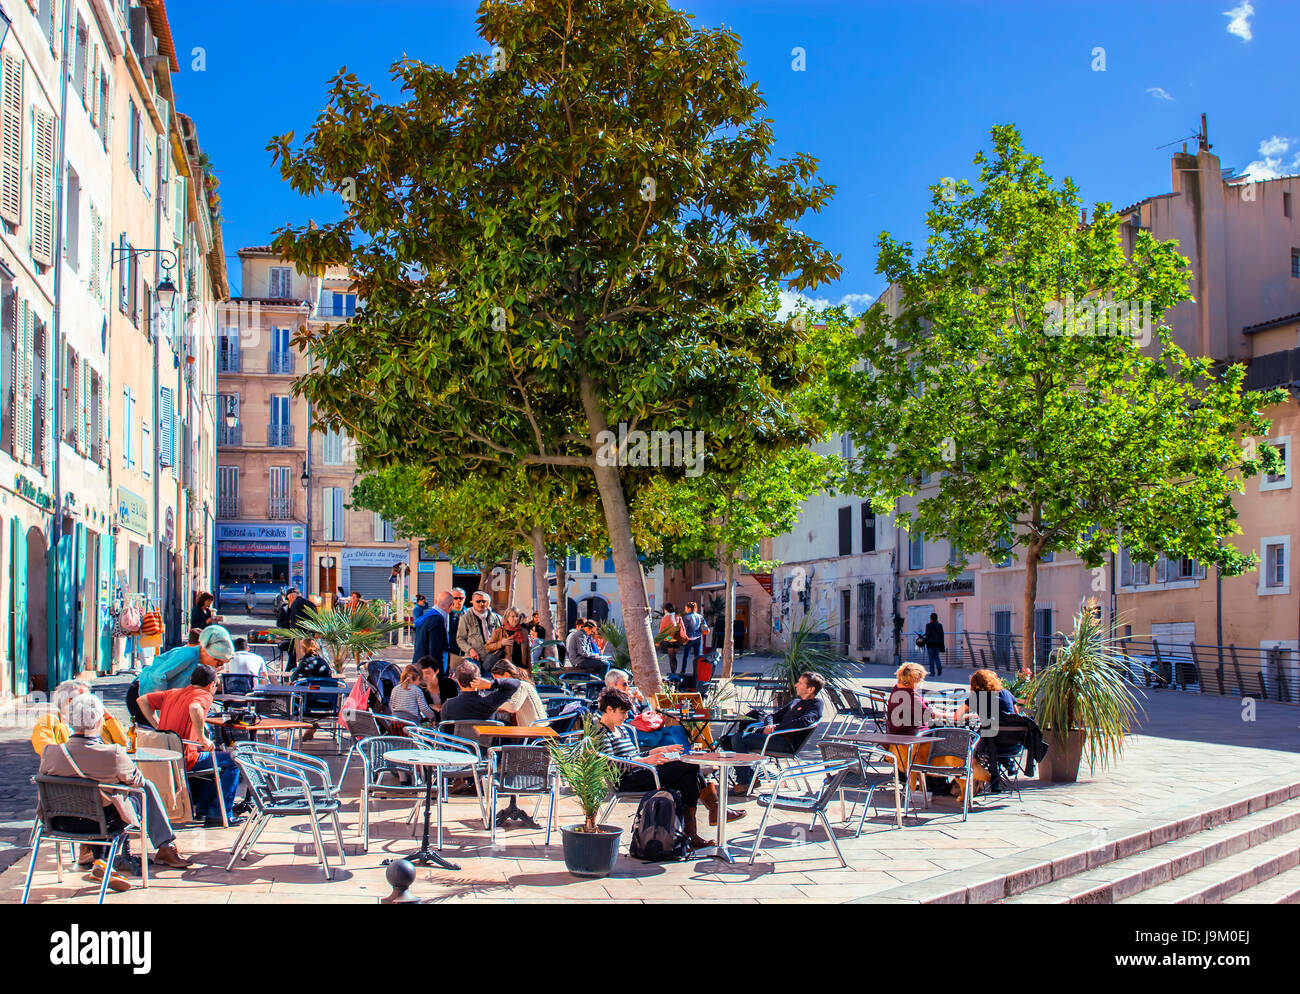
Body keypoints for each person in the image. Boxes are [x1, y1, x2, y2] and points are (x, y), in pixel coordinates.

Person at [38, 694, 192, 890]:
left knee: (106, 801)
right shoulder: (112, 754)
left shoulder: (50, 752)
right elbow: (138, 781)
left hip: (58, 822)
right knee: (141, 791)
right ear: (100, 721)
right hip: (102, 823)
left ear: (70, 721)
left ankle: (101, 861)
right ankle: (162, 846)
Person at [592, 688, 743, 848]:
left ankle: (692, 834)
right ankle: (712, 812)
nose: (625, 717)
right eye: (623, 713)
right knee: (687, 764)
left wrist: (659, 751)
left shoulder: (621, 729)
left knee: (688, 774)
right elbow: (612, 765)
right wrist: (649, 760)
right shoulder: (601, 733)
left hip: (643, 772)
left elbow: (634, 755)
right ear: (609, 709)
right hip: (628, 780)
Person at [139, 664, 243, 828]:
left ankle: (204, 808)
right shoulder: (204, 695)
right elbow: (194, 707)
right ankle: (219, 813)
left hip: (167, 756)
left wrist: (159, 728)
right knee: (234, 759)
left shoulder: (173, 693)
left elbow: (142, 700)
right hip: (185, 758)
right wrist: (202, 738)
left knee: (214, 755)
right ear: (211, 684)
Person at [721, 671, 826, 788]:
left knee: (738, 738)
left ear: (811, 689)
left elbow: (805, 721)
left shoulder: (816, 704)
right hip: (773, 737)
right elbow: (771, 716)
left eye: (801, 683)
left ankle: (744, 783)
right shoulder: (796, 702)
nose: (796, 685)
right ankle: (749, 777)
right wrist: (769, 725)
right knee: (726, 740)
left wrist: (776, 728)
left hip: (786, 743)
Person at [125, 625, 234, 726]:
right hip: (141, 692)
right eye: (219, 662)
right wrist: (164, 708)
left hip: (149, 696)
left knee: (163, 737)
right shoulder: (188, 655)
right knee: (156, 738)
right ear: (207, 652)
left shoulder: (196, 659)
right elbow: (159, 676)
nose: (218, 666)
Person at [31, 679, 129, 754]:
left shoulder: (96, 720)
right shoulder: (49, 720)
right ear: (69, 701)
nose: (91, 702)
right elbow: (44, 748)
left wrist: (107, 715)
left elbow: (123, 743)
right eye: (86, 699)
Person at [604, 668, 691, 752]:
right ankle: (687, 761)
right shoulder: (611, 701)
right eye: (624, 684)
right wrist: (627, 701)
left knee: (677, 730)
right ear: (612, 685)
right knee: (673, 739)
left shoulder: (630, 697)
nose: (628, 686)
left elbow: (649, 713)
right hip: (638, 734)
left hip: (649, 730)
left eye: (629, 683)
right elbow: (624, 721)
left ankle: (686, 761)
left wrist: (642, 700)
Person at [438, 661, 520, 723]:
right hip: (487, 745)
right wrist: (491, 683)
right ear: (479, 679)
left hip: (458, 745)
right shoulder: (490, 701)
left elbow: (446, 734)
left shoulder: (448, 706)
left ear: (458, 683)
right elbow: (516, 683)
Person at [492, 659, 548, 726]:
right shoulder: (518, 685)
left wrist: (497, 706)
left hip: (536, 728)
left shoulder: (520, 685)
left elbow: (513, 707)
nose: (498, 684)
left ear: (506, 675)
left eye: (498, 680)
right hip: (534, 726)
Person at [458, 591, 504, 671]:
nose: (481, 604)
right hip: (473, 658)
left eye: (484, 601)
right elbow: (460, 639)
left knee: (489, 682)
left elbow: (500, 635)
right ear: (472, 602)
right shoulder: (465, 618)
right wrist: (470, 650)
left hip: (491, 658)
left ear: (488, 602)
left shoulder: (495, 617)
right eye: (478, 601)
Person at [485, 607, 531, 673]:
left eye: (517, 616)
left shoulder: (523, 632)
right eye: (512, 616)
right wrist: (501, 643)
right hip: (505, 669)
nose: (515, 619)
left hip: (521, 669)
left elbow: (528, 652)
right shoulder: (499, 631)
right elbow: (488, 647)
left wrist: (529, 670)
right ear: (507, 618)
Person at [680, 601, 709, 676]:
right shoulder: (700, 616)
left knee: (686, 655)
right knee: (697, 656)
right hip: (698, 638)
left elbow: (684, 628)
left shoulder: (686, 617)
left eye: (685, 608)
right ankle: (697, 672)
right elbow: (704, 626)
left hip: (689, 639)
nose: (685, 609)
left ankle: (683, 671)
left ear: (689, 608)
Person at [658, 603, 685, 674]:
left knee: (671, 657)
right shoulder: (678, 617)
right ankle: (674, 672)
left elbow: (661, 631)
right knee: (674, 656)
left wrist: (657, 642)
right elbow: (683, 628)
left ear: (666, 610)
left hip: (669, 639)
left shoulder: (664, 618)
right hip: (677, 639)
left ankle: (673, 673)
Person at [447, 588, 467, 670]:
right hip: (451, 653)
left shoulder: (469, 614)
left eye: (461, 598)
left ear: (464, 598)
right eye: (455, 598)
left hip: (466, 653)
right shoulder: (446, 615)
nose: (458, 600)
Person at [924, 612, 946, 677]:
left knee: (931, 658)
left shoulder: (928, 625)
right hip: (937, 644)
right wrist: (942, 645)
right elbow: (942, 635)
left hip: (930, 644)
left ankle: (932, 672)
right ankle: (939, 667)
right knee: (936, 657)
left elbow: (927, 635)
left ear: (931, 618)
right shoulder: (940, 625)